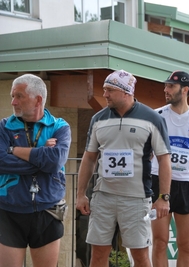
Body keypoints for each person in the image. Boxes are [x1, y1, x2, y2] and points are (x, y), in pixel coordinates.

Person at [76, 69, 172, 267]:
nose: (105, 95)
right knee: (99, 254)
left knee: (140, 255)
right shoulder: (98, 119)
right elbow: (89, 157)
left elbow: (164, 159)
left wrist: (164, 197)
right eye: (104, 89)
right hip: (103, 196)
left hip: (136, 199)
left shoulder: (152, 118)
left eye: (109, 90)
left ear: (126, 91)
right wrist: (80, 194)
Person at [0, 74, 71, 267]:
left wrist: (13, 150)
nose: (13, 101)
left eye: (19, 96)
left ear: (37, 99)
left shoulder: (60, 127)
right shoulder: (4, 127)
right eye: (12, 96)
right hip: (9, 210)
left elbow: (55, 162)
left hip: (47, 210)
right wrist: (42, 156)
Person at [151, 70, 189, 267]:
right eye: (165, 85)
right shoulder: (157, 116)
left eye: (171, 86)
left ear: (185, 90)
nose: (165, 89)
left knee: (185, 244)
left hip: (187, 185)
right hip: (158, 183)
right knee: (160, 242)